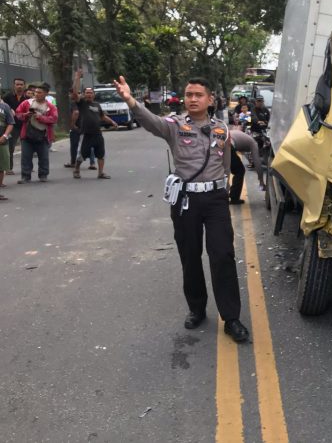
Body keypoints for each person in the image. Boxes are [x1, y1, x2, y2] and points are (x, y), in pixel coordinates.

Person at [113, 74, 250, 343]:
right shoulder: (174, 126)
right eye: (189, 95)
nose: (193, 99)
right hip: (186, 201)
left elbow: (225, 165)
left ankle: (231, 317)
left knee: (222, 254)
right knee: (190, 255)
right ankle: (197, 309)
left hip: (215, 200)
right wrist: (130, 101)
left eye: (199, 95)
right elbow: (151, 123)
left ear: (210, 99)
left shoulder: (222, 129)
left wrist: (221, 190)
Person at [71, 69, 118, 179]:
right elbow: (74, 92)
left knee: (101, 154)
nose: (89, 95)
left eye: (90, 93)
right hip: (86, 134)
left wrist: (112, 122)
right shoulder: (81, 103)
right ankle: (76, 169)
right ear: (84, 94)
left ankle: (100, 173)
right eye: (86, 93)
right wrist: (77, 78)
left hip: (97, 134)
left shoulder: (97, 105)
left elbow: (102, 116)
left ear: (94, 95)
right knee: (82, 154)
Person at [14, 82, 58, 183]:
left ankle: (43, 175)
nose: (37, 94)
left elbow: (54, 119)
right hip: (27, 135)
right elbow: (18, 113)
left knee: (43, 157)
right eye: (36, 92)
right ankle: (25, 176)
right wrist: (26, 115)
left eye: (40, 92)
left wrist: (41, 117)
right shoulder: (27, 103)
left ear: (46, 94)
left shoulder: (50, 106)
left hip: (43, 136)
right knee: (26, 157)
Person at [228, 129, 265, 204]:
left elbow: (244, 153)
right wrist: (261, 181)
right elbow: (257, 163)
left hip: (221, 141)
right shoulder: (253, 143)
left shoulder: (246, 138)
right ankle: (234, 198)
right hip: (228, 145)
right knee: (239, 171)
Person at [64, 89, 96, 170]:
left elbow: (76, 112)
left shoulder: (74, 102)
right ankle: (92, 163)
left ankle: (73, 162)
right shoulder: (88, 102)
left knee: (74, 145)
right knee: (90, 144)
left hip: (78, 126)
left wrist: (73, 124)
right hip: (88, 126)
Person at [1, 77, 25, 175]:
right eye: (17, 84)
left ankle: (27, 168)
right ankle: (9, 168)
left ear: (24, 85)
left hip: (25, 125)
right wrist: (10, 109)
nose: (19, 86)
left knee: (27, 148)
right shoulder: (7, 96)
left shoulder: (27, 98)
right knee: (11, 147)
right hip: (12, 125)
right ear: (14, 85)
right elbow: (3, 106)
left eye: (21, 84)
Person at [0, 95, 15, 200]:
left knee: (1, 166)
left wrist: (5, 136)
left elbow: (10, 123)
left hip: (2, 141)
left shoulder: (5, 106)